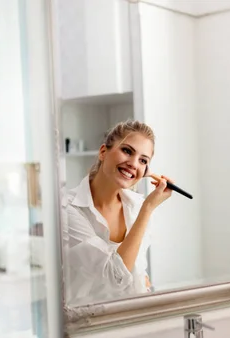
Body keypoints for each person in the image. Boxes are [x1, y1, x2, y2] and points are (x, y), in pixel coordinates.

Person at [63, 120, 172, 306]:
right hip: (90, 327)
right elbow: (114, 276)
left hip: (134, 318)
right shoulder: (67, 209)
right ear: (103, 152)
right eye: (127, 151)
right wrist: (148, 209)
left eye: (143, 160)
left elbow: (138, 271)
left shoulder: (136, 204)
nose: (133, 163)